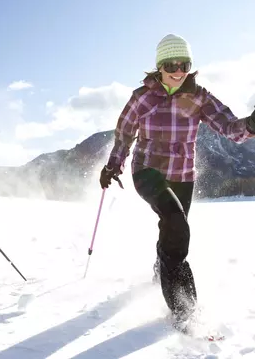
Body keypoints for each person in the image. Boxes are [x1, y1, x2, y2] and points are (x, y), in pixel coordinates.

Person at [100, 34, 255, 331]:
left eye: (184, 64)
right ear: (159, 66)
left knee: (173, 229)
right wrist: (112, 166)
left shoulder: (199, 97)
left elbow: (230, 128)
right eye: (171, 64)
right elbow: (124, 134)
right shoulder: (141, 97)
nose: (178, 70)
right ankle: (184, 310)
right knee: (175, 223)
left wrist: (250, 125)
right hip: (148, 171)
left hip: (183, 176)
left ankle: (162, 267)